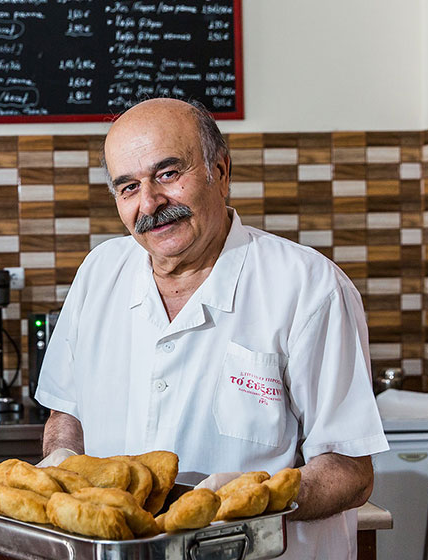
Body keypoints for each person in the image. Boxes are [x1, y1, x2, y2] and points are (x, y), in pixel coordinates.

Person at [33, 98, 388, 559]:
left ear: (220, 171)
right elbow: (68, 412)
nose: (149, 203)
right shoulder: (100, 272)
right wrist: (62, 465)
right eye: (127, 186)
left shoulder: (308, 288)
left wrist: (260, 498)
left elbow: (350, 471)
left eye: (167, 174)